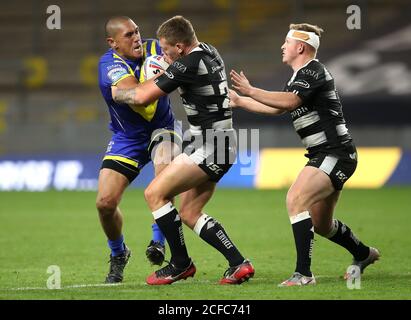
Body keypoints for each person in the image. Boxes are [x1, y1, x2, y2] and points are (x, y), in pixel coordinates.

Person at [229, 23, 380, 286]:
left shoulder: (314, 71)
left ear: (300, 46)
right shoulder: (299, 77)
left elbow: (289, 102)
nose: (282, 47)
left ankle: (303, 274)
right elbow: (279, 108)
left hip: (335, 153)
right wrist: (241, 101)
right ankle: (364, 254)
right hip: (325, 154)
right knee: (322, 224)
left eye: (286, 42)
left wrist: (250, 90)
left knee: (296, 198)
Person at [112, 15, 255, 285]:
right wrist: (170, 66)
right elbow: (187, 74)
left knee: (154, 193)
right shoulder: (209, 51)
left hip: (210, 146)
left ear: (180, 47)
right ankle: (238, 263)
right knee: (189, 212)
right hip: (224, 144)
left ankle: (180, 264)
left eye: (167, 50)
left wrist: (117, 93)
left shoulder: (186, 64)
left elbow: (142, 96)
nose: (164, 54)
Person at [97, 16, 182, 283]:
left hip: (163, 128)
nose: (136, 38)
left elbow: (186, 57)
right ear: (113, 43)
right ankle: (118, 252)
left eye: (137, 32)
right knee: (105, 204)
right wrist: (159, 75)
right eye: (128, 35)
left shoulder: (157, 48)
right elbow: (139, 101)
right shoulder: (109, 64)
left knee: (163, 178)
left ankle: (158, 241)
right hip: (128, 138)